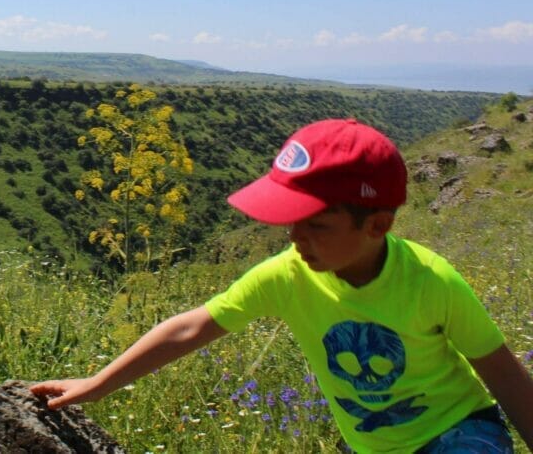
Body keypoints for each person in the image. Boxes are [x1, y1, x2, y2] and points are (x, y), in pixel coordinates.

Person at [31, 118, 533, 453]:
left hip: (459, 432)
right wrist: (98, 385)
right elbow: (192, 328)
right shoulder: (287, 274)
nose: (294, 238)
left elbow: (503, 376)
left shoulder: (430, 281)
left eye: (314, 224)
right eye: (290, 222)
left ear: (376, 226)